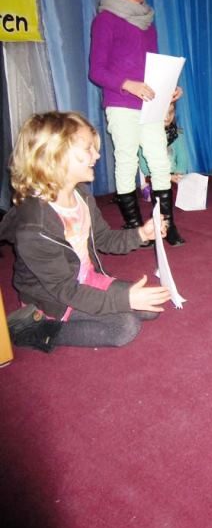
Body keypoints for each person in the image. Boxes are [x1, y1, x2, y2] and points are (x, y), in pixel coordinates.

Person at [0, 111, 171, 353]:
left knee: (149, 308)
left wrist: (142, 234)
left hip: (84, 280)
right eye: (88, 149)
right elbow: (65, 290)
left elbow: (103, 238)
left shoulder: (80, 194)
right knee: (124, 327)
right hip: (53, 298)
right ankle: (34, 328)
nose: (97, 155)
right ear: (56, 157)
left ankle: (115, 299)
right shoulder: (34, 228)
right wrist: (124, 299)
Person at [89, 0, 185, 246]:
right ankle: (134, 226)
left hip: (149, 104)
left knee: (159, 162)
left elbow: (152, 68)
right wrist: (128, 85)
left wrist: (169, 93)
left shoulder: (148, 23)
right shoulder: (106, 20)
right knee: (127, 161)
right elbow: (96, 71)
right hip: (121, 104)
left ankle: (165, 223)